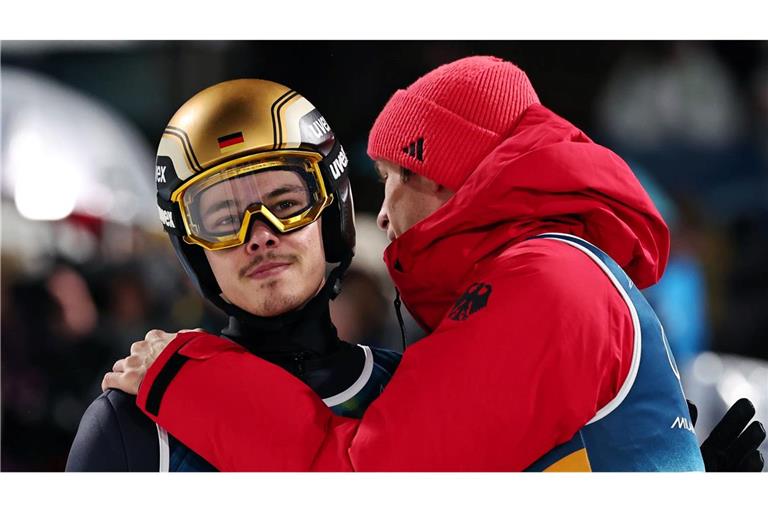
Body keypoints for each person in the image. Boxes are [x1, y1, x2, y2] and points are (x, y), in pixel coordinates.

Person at [105, 56, 765, 471]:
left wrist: (185, 379)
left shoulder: (545, 282)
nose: (384, 215)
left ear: (445, 174)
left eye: (394, 178)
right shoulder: (545, 275)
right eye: (223, 217)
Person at [65, 79, 401, 471]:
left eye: (287, 204)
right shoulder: (130, 424)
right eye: (224, 219)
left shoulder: (410, 388)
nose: (260, 236)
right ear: (195, 249)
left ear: (330, 215)